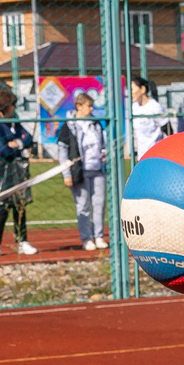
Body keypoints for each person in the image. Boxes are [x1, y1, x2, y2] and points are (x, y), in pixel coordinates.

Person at [0, 87, 40, 256]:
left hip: (17, 170)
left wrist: (18, 143)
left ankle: (22, 240)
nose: (14, 109)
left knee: (19, 205)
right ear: (3, 107)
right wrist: (16, 144)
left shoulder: (15, 120)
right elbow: (1, 150)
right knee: (3, 206)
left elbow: (27, 138)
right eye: (11, 106)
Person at [58, 92, 109, 252]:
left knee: (99, 204)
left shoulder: (96, 124)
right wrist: (66, 174)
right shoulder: (69, 126)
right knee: (83, 206)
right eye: (89, 105)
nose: (92, 109)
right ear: (79, 106)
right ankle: (86, 238)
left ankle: (99, 235)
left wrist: (104, 154)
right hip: (80, 171)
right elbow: (62, 151)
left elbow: (102, 144)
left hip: (97, 170)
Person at [128, 76, 171, 160]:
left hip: (156, 155)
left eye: (132, 89)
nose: (130, 93)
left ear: (142, 89)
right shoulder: (134, 107)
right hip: (141, 156)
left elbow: (168, 130)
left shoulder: (155, 107)